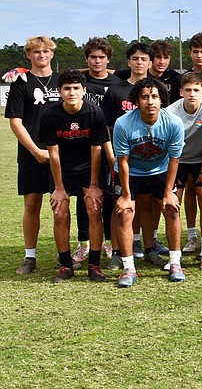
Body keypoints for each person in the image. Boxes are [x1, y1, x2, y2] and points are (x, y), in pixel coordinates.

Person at [111, 78, 185, 287]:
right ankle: (128, 268)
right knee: (125, 212)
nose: (150, 101)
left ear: (162, 99)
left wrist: (169, 191)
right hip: (131, 173)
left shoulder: (173, 122)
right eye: (144, 97)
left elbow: (174, 159)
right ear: (136, 100)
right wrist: (126, 195)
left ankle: (175, 263)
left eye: (154, 96)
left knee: (172, 209)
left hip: (160, 171)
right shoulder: (123, 123)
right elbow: (122, 161)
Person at [40, 69, 109, 282]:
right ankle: (66, 265)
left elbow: (96, 150)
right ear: (59, 91)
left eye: (76, 88)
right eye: (67, 88)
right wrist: (59, 188)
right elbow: (53, 152)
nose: (71, 92)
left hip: (89, 169)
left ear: (84, 90)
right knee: (60, 211)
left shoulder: (94, 113)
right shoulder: (50, 115)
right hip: (63, 170)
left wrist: (94, 184)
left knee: (94, 209)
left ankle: (94, 264)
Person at [101, 42, 166, 264]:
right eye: (135, 59)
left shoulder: (156, 89)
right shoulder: (116, 89)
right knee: (119, 205)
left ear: (151, 62)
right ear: (128, 62)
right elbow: (107, 127)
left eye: (144, 59)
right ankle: (117, 253)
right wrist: (112, 158)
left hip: (150, 160)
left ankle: (149, 248)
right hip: (121, 159)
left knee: (146, 205)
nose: (139, 63)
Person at [7, 35, 61, 275]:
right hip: (32, 151)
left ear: (52, 54)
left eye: (45, 51)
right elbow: (16, 122)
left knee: (60, 205)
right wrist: (36, 150)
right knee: (31, 203)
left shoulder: (62, 80)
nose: (41, 55)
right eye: (36, 52)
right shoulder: (21, 82)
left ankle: (64, 255)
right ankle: (30, 257)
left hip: (60, 152)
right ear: (28, 55)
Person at [74, 37, 122, 266]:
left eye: (101, 57)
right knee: (86, 199)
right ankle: (83, 243)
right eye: (92, 57)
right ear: (86, 59)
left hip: (110, 147)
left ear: (108, 59)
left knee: (111, 197)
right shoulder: (79, 81)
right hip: (83, 149)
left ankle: (111, 243)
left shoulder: (117, 82)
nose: (97, 61)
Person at [165, 72, 202, 269]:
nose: (192, 94)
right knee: (172, 206)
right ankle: (175, 256)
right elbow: (170, 146)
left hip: (201, 160)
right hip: (177, 160)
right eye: (188, 90)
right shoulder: (170, 112)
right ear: (181, 92)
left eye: (196, 90)